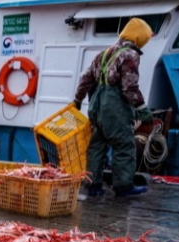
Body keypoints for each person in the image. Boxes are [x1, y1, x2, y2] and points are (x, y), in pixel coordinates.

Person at [74, 18, 154, 197]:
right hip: (113, 107)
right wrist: (142, 108)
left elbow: (86, 79)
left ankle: (93, 185)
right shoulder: (130, 55)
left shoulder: (103, 54)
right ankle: (123, 186)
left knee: (97, 145)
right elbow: (129, 87)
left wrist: (78, 100)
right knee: (124, 144)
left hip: (96, 105)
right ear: (138, 37)